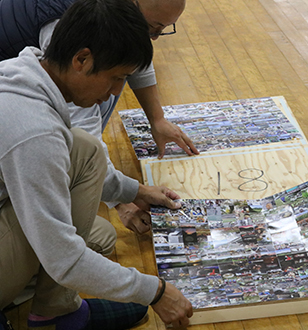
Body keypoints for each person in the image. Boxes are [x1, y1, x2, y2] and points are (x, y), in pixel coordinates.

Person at [0, 0, 192, 328]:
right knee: (74, 248)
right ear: (82, 59)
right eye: (116, 78)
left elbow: (80, 158)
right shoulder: (34, 130)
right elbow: (64, 260)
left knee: (87, 156)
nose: (116, 93)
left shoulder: (29, 67)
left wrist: (136, 191)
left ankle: (55, 310)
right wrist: (156, 291)